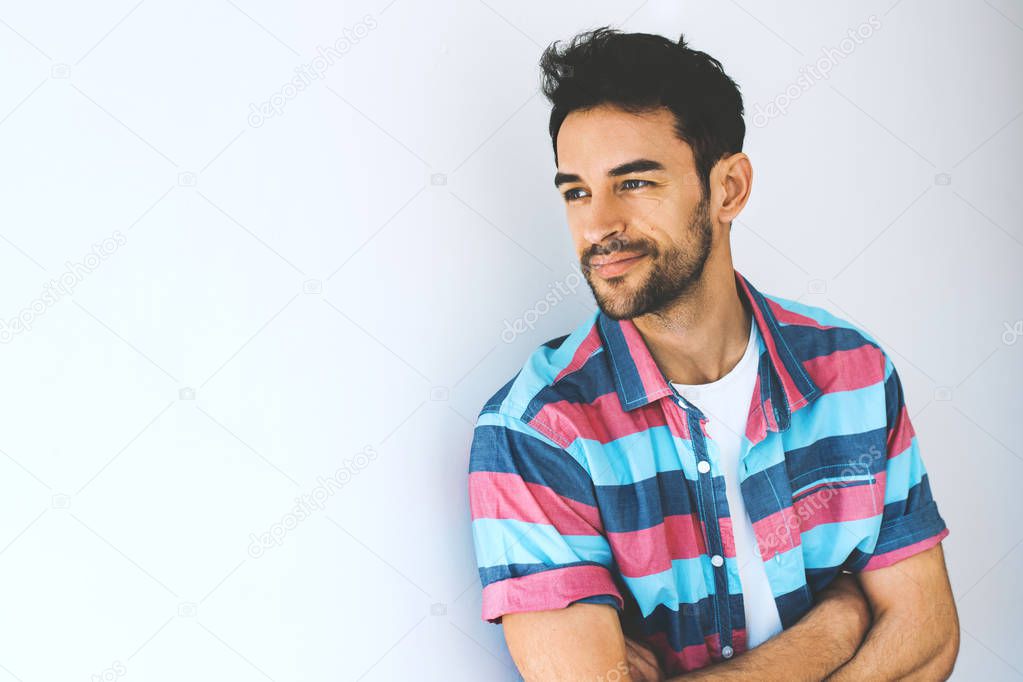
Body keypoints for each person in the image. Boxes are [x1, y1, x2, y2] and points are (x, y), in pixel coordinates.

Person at [467, 26, 958, 680]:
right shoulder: (537, 434)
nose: (597, 225)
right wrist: (835, 628)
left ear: (727, 188)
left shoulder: (853, 373)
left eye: (633, 183)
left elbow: (925, 642)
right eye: (575, 191)